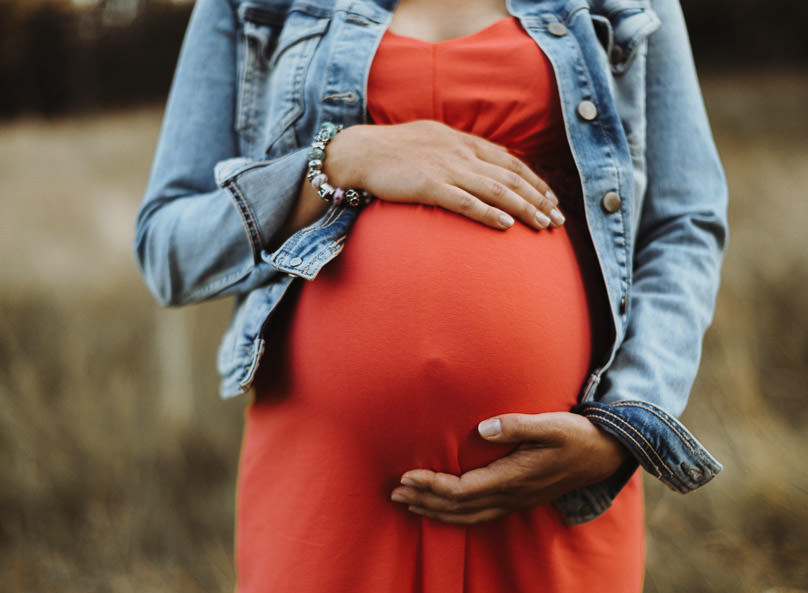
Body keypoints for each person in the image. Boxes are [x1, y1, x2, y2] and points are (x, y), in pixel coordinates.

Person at [135, 0, 728, 590]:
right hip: (328, 478)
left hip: (551, 480)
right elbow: (169, 250)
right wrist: (340, 160)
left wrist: (621, 430)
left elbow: (684, 223)